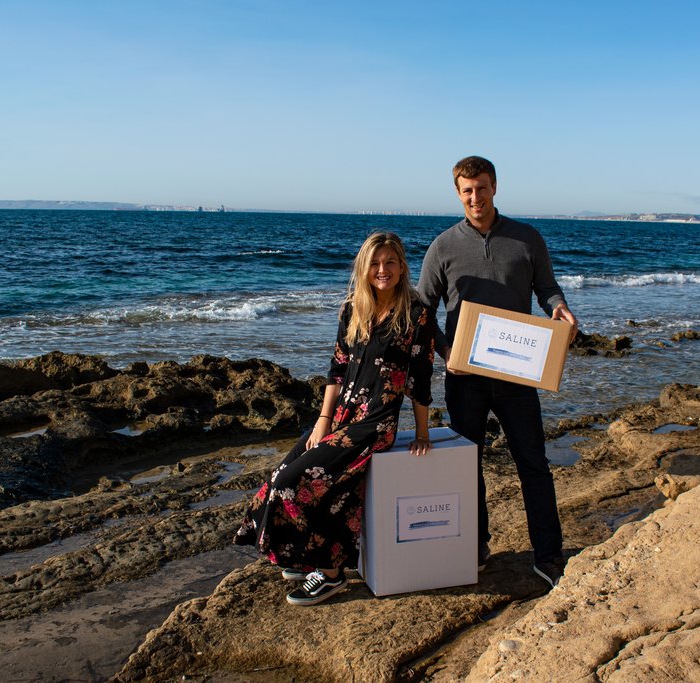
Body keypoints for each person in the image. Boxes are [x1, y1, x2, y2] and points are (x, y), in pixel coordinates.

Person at [234, 232, 435, 606]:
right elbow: (337, 369)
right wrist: (322, 421)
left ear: (403, 266)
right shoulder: (352, 308)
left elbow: (421, 377)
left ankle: (330, 574)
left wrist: (422, 432)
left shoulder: (416, 313)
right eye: (375, 263)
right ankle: (304, 555)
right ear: (364, 267)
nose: (382, 269)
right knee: (279, 475)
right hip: (340, 416)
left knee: (295, 483)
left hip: (374, 424)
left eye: (390, 261)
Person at [416, 155, 577, 588]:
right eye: (467, 190)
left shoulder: (526, 239)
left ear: (494, 187)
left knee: (533, 464)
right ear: (458, 193)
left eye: (481, 188)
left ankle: (549, 554)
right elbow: (422, 310)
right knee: (468, 466)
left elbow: (546, 288)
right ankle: (476, 545)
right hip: (464, 378)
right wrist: (445, 350)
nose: (475, 197)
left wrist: (559, 308)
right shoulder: (443, 246)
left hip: (517, 376)